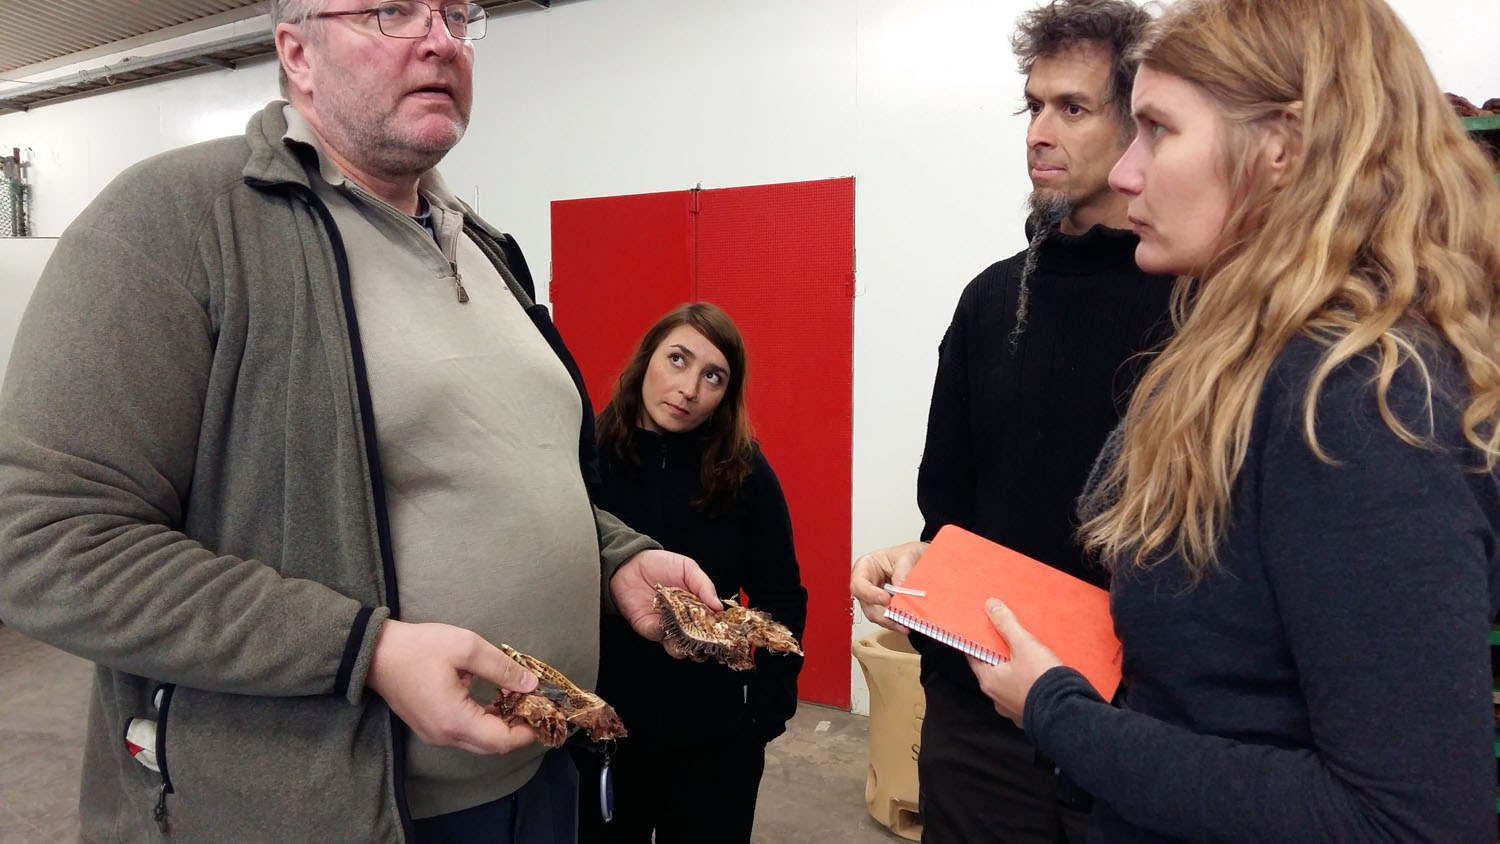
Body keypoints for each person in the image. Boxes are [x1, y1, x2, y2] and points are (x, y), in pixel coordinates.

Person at [0, 2, 723, 842]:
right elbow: (40, 540)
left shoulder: (485, 247)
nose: (440, 40)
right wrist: (361, 650)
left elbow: (490, 471)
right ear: (297, 53)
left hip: (538, 783)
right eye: (390, 11)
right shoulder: (178, 220)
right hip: (319, 816)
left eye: (456, 14)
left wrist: (614, 558)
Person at [964, 0, 1500, 841]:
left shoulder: (1357, 400)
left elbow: (1406, 820)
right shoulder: (1244, 355)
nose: (1128, 173)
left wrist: (1059, 713)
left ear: (1282, 145)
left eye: (1158, 130)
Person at [850, 1, 1170, 841]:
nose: (1039, 133)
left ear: (1137, 123)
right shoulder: (990, 301)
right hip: (980, 723)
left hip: (1134, 730)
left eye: (1073, 108)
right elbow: (949, 508)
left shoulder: (1194, 302)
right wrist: (918, 564)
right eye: (1033, 106)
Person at [573, 303, 808, 844]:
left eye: (713, 376)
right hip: (606, 729)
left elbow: (781, 594)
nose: (689, 389)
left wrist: (764, 711)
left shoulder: (744, 469)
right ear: (646, 359)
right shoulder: (587, 460)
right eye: (677, 359)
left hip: (715, 736)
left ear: (726, 394)